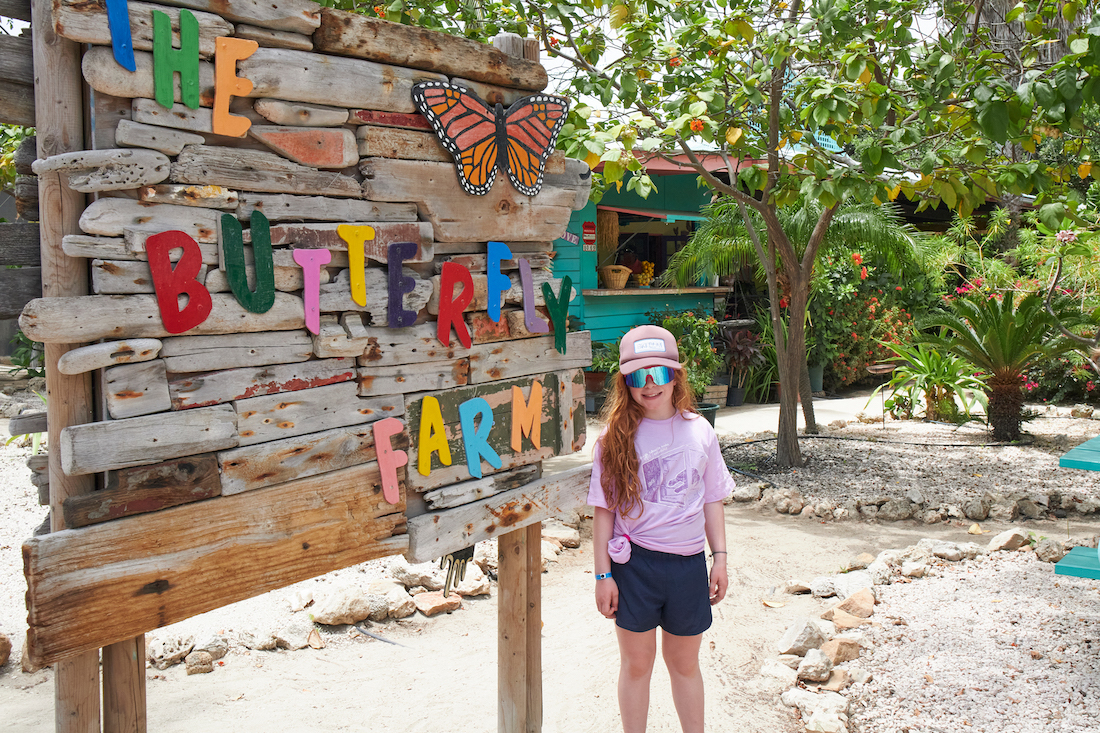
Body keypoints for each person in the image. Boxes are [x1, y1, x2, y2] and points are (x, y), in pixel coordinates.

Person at [588, 324, 734, 733]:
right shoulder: (613, 439)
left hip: (688, 567)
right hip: (634, 568)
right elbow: (604, 513)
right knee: (637, 665)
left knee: (685, 665)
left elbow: (712, 499)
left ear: (676, 376)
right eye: (638, 376)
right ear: (625, 383)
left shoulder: (700, 431)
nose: (650, 384)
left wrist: (719, 558)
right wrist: (602, 575)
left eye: (659, 373)